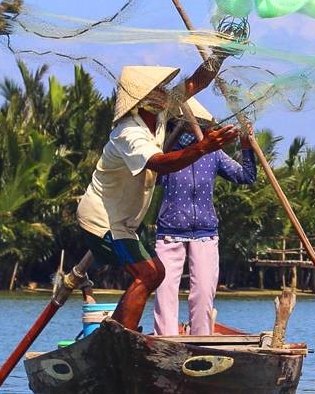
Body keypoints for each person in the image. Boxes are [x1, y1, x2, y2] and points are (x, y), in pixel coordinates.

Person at [76, 63, 238, 331]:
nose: (164, 93)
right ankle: (120, 334)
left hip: (122, 224)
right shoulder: (128, 132)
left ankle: (118, 329)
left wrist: (218, 56)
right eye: (158, 90)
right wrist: (203, 148)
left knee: (152, 273)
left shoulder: (160, 114)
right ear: (142, 101)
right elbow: (161, 163)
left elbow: (195, 82)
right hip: (101, 221)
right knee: (150, 273)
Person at [152, 98, 257, 336]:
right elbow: (147, 181)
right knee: (165, 292)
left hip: (205, 233)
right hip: (170, 232)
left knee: (202, 295)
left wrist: (246, 145)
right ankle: (166, 341)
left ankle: (200, 341)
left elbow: (246, 176)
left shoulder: (213, 155)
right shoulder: (165, 151)